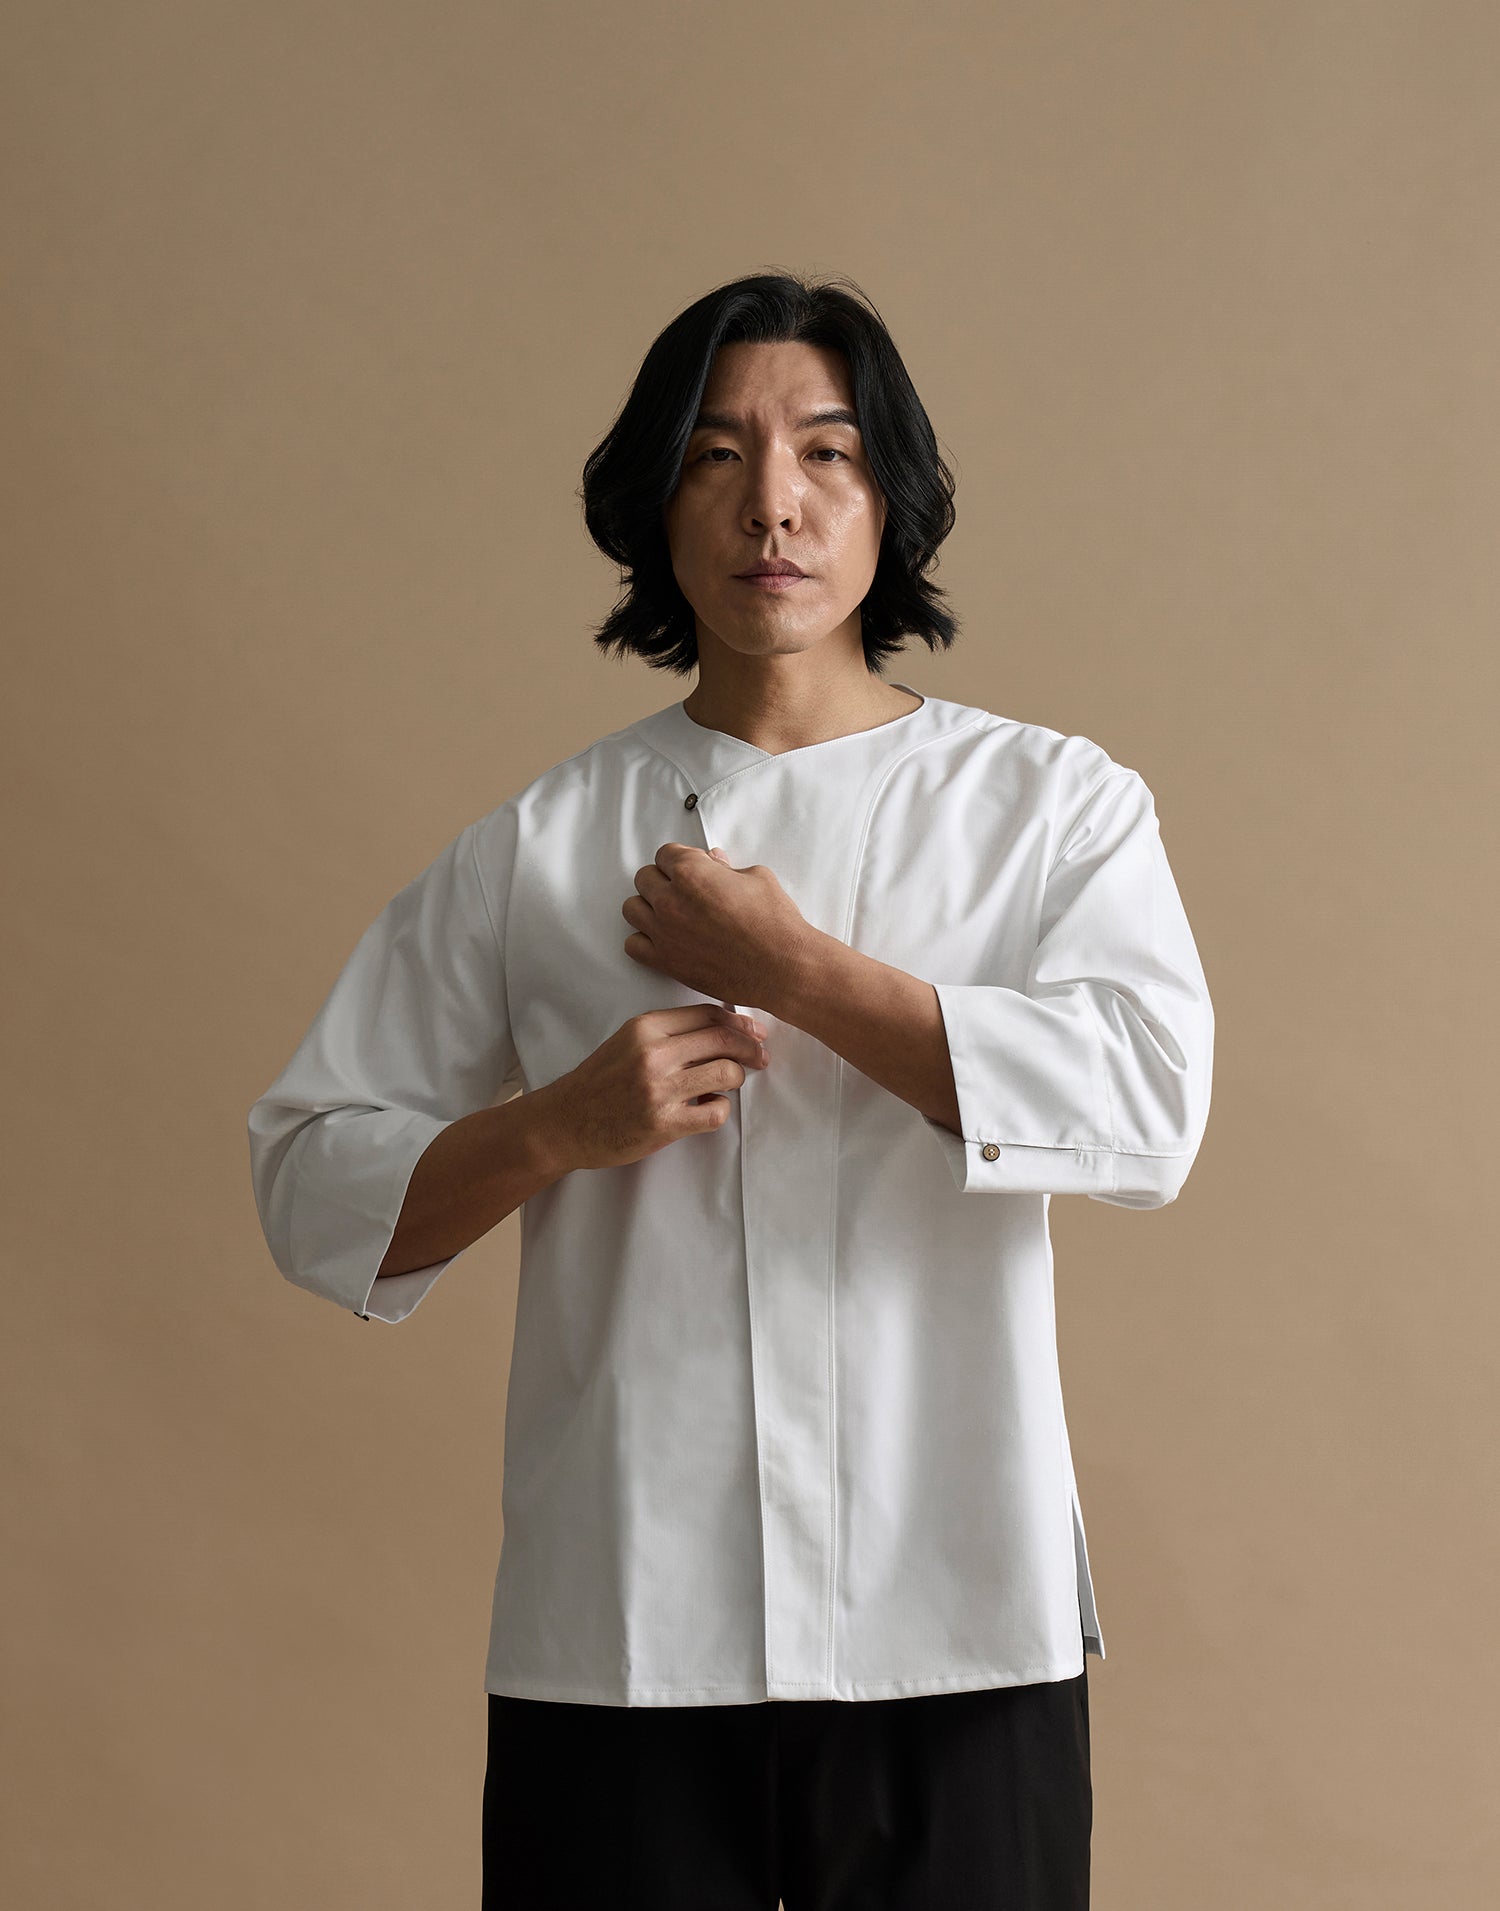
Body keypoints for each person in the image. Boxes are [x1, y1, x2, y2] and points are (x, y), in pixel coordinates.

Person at [247, 271, 1214, 1909]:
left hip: (957, 1627)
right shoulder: (537, 849)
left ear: (890, 501)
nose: (774, 502)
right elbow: (309, 1180)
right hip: (624, 1635)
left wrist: (805, 974)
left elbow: (1146, 1108)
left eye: (826, 452)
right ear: (657, 505)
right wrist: (556, 1128)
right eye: (717, 455)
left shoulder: (1054, 809)